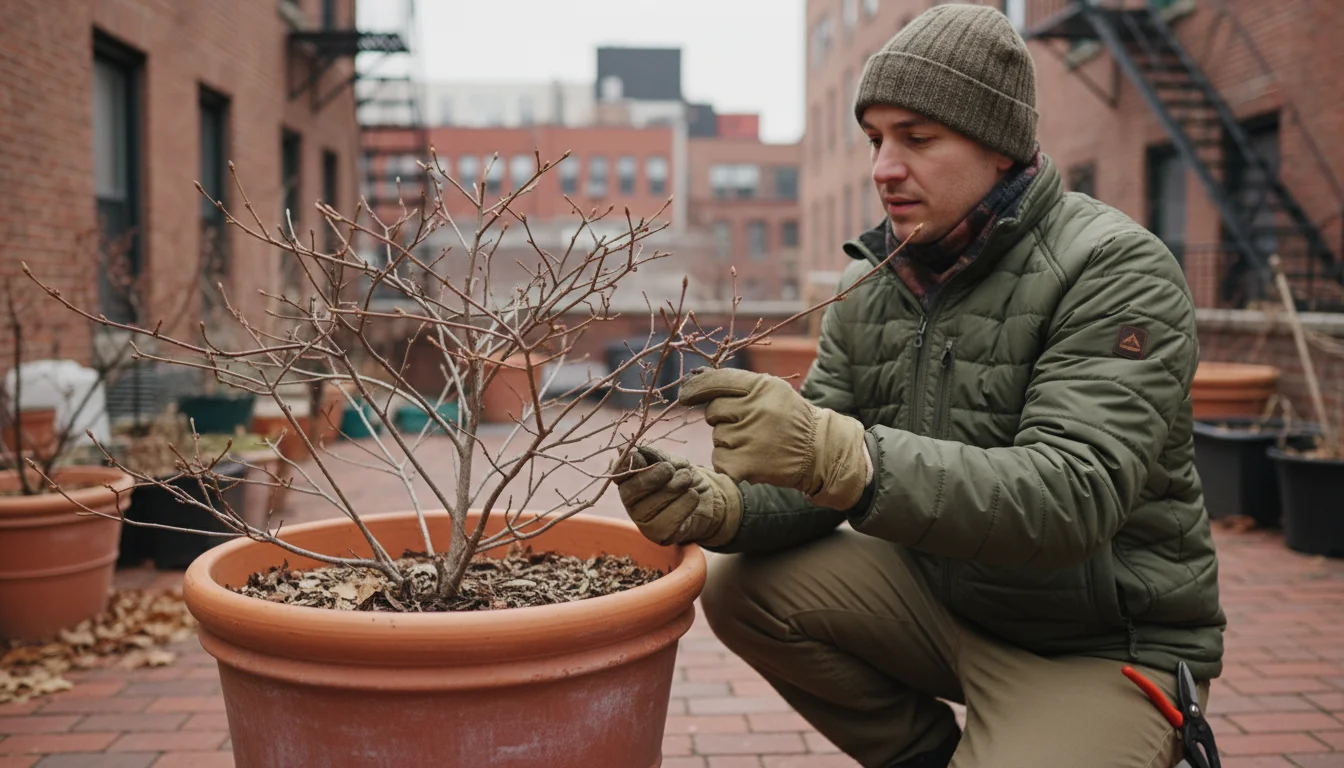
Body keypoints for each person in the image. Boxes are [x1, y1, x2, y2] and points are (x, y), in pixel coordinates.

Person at [611, 4, 1226, 767]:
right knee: (740, 587)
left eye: (917, 138)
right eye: (875, 140)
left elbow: (1075, 496)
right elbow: (815, 473)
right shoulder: (874, 283)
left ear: (999, 146)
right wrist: (725, 506)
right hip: (948, 603)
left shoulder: (1114, 270)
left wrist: (843, 455)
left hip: (1097, 645)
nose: (882, 167)